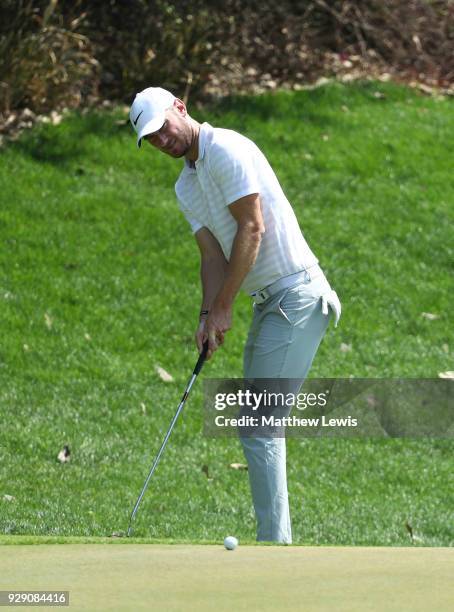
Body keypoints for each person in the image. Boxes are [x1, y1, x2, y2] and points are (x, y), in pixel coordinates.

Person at [129, 87, 341, 544]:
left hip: (298, 294)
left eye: (163, 128)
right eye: (152, 139)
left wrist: (225, 306)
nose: (162, 140)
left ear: (180, 109)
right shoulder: (185, 184)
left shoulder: (226, 147)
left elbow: (253, 227)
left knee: (258, 421)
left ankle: (273, 547)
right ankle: (274, 543)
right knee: (258, 421)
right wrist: (207, 314)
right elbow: (212, 257)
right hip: (271, 302)